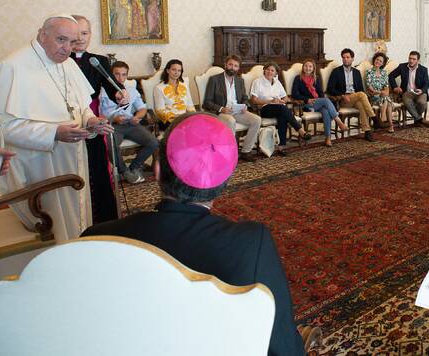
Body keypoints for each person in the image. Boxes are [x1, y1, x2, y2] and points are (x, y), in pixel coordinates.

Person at [81, 113, 305, 356]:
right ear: (224, 180)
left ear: (156, 170)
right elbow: (284, 346)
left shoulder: (95, 238)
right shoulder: (249, 243)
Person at [0, 15, 114, 242]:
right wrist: (54, 133)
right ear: (42, 34)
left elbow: (80, 107)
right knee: (55, 228)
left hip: (74, 157)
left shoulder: (68, 64)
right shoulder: (13, 66)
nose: (67, 49)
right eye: (61, 40)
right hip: (39, 164)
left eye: (72, 42)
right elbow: (4, 127)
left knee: (78, 217)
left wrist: (90, 120)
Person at [70, 14, 129, 222]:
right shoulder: (60, 60)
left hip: (93, 122)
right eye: (75, 34)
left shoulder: (98, 61)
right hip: (67, 122)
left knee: (96, 167)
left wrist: (121, 94)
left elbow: (113, 86)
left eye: (84, 33)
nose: (80, 38)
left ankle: (101, 216)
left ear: (90, 35)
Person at [100, 61, 159, 184]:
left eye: (123, 74)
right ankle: (124, 171)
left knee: (153, 142)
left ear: (127, 75)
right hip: (112, 125)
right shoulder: (102, 91)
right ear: (111, 75)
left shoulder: (131, 90)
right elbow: (99, 113)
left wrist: (137, 117)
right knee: (111, 147)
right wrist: (115, 119)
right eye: (116, 74)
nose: (120, 78)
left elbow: (142, 109)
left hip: (130, 124)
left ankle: (134, 167)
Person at [202, 55, 262, 161]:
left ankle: (246, 151)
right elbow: (207, 102)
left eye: (235, 66)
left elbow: (244, 98)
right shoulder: (214, 80)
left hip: (237, 110)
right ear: (225, 65)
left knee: (257, 120)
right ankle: (230, 153)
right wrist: (221, 108)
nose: (232, 68)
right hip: (222, 111)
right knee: (230, 121)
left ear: (238, 68)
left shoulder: (240, 81)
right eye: (230, 64)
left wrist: (244, 106)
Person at [250, 62, 311, 156]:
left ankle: (281, 146)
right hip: (265, 108)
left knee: (282, 114)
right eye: (268, 69)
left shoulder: (277, 82)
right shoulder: (257, 82)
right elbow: (254, 100)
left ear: (275, 73)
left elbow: (285, 97)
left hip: (279, 107)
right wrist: (270, 101)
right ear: (264, 70)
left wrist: (283, 101)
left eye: (272, 70)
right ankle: (300, 130)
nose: (269, 72)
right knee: (283, 110)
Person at [291, 59, 347, 147]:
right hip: (306, 104)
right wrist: (307, 99)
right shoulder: (298, 78)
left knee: (325, 111)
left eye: (310, 66)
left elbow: (320, 92)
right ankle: (338, 121)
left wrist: (319, 100)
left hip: (318, 102)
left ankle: (328, 138)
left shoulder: (316, 78)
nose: (308, 68)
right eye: (306, 66)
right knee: (326, 101)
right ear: (303, 67)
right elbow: (295, 94)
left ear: (313, 68)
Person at [326, 48, 376, 142]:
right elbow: (330, 88)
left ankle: (367, 131)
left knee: (361, 104)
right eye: (343, 57)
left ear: (352, 58)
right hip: (343, 100)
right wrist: (342, 95)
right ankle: (374, 118)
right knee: (361, 94)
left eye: (348, 57)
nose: (345, 59)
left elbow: (360, 89)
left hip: (355, 97)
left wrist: (357, 95)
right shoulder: (336, 71)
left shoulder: (356, 72)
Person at [389, 50, 429, 127]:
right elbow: (391, 75)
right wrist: (395, 87)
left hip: (419, 92)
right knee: (406, 100)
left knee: (422, 103)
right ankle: (419, 119)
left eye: (414, 59)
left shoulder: (423, 69)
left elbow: (427, 84)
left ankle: (417, 120)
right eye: (410, 58)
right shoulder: (402, 67)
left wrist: (421, 90)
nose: (411, 61)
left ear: (418, 60)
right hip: (407, 93)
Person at [153, 59, 195, 128]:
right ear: (167, 71)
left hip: (185, 118)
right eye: (174, 70)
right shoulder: (159, 88)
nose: (176, 73)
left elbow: (190, 105)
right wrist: (177, 117)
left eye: (179, 70)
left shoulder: (184, 85)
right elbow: (160, 111)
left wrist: (193, 116)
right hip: (169, 122)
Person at [366, 52, 395, 133]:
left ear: (383, 63)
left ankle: (383, 121)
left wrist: (383, 92)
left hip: (382, 97)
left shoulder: (384, 73)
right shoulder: (369, 72)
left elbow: (386, 88)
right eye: (377, 59)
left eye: (380, 61)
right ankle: (387, 123)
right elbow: (370, 88)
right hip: (373, 96)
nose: (378, 62)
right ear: (374, 60)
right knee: (386, 99)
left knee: (386, 99)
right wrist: (380, 92)